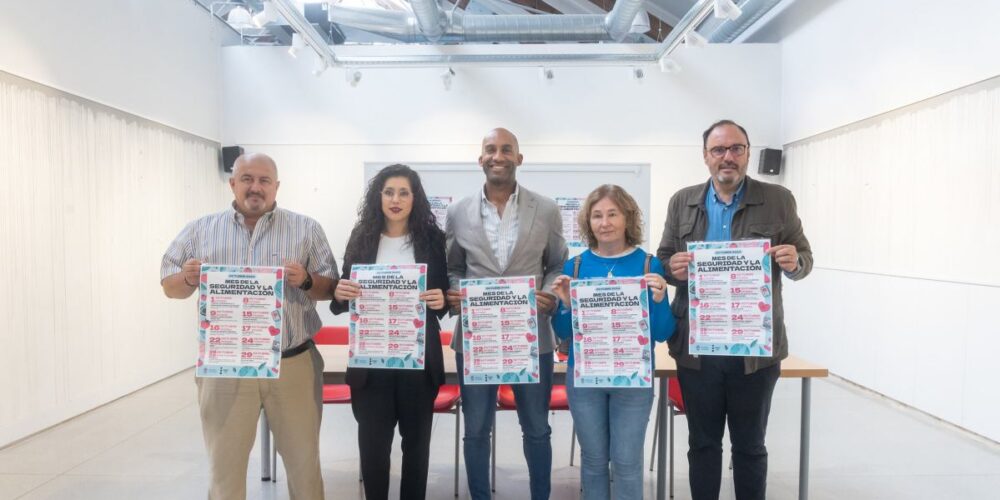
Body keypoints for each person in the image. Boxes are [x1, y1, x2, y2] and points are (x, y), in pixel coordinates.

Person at [160, 152, 336, 500]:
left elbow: (330, 287)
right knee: (224, 470)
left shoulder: (306, 228)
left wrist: (304, 280)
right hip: (225, 367)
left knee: (305, 468)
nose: (255, 187)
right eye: (247, 179)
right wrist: (188, 277)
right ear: (233, 183)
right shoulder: (201, 229)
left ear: (276, 186)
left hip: (292, 363)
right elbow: (169, 284)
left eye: (264, 180)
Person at [656, 120, 813, 500]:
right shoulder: (682, 200)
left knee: (750, 446)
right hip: (698, 349)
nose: (728, 157)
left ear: (747, 152)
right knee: (703, 444)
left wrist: (794, 262)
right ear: (706, 156)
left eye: (736, 148)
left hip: (755, 352)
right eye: (719, 150)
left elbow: (805, 258)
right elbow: (663, 259)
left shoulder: (778, 199)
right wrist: (671, 269)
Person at [445, 128, 568, 500]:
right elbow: (453, 267)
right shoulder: (457, 211)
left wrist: (548, 293)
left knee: (536, 428)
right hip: (477, 337)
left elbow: (557, 263)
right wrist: (456, 294)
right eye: (490, 150)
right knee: (476, 429)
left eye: (506, 149)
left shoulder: (545, 209)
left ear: (519, 158)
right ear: (480, 158)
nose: (498, 155)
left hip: (531, 336)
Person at [330, 164, 448, 500]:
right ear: (378, 197)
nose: (395, 199)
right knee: (373, 452)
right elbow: (344, 293)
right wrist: (340, 293)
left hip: (417, 361)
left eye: (404, 192)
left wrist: (440, 300)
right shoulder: (362, 237)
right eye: (388, 192)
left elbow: (442, 294)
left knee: (416, 450)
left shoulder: (431, 239)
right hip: (371, 363)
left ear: (415, 199)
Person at [549, 184, 675, 500]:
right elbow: (564, 332)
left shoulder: (649, 265)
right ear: (588, 223)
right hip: (586, 380)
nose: (604, 222)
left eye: (612, 214)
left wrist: (660, 300)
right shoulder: (574, 266)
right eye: (597, 215)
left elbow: (661, 333)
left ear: (627, 218)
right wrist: (564, 304)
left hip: (633, 380)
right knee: (592, 462)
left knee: (627, 463)